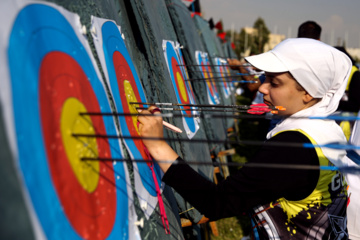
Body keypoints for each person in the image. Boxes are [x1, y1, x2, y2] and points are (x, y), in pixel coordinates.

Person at [138, 38, 351, 239]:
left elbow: (216, 202)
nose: (261, 88)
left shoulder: (293, 148)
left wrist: (157, 145)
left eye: (275, 83)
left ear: (308, 93)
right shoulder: (328, 130)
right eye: (265, 77)